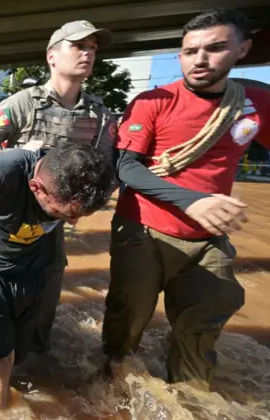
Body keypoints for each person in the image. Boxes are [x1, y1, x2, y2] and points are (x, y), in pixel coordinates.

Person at [102, 9, 270, 390]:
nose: (200, 59)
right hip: (144, 231)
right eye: (189, 50)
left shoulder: (256, 102)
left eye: (215, 48)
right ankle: (110, 388)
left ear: (242, 49)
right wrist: (192, 200)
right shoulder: (153, 101)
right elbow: (126, 167)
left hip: (210, 238)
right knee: (125, 326)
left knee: (200, 332)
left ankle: (190, 404)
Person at [0, 21, 117, 354]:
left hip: (53, 225)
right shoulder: (24, 103)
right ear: (52, 56)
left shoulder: (100, 115)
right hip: (8, 215)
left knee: (42, 309)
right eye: (79, 46)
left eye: (93, 49)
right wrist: (23, 158)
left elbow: (108, 170)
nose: (88, 54)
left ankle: (32, 373)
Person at [0, 143, 114, 412]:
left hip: (35, 270)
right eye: (65, 215)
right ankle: (1, 418)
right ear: (35, 187)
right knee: (3, 360)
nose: (72, 224)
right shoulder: (1, 172)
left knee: (13, 350)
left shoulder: (71, 173)